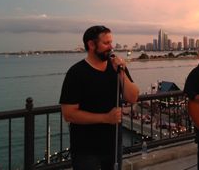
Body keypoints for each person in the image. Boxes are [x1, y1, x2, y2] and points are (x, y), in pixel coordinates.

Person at [59, 25, 139, 170]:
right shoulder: (76, 73)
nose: (111, 47)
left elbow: (133, 97)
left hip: (113, 144)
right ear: (91, 45)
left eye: (111, 42)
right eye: (106, 43)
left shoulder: (116, 67)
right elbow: (69, 114)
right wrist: (105, 118)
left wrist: (121, 73)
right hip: (86, 149)